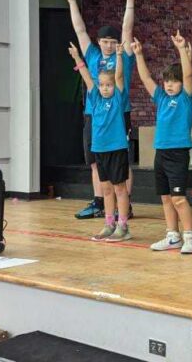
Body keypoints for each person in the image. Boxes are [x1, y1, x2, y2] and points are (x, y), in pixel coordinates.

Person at [67, 0, 137, 219]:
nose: (108, 45)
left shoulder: (123, 57)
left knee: (122, 161)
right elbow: (80, 31)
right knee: (95, 160)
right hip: (94, 115)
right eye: (105, 41)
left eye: (112, 42)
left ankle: (125, 204)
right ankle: (100, 202)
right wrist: (72, 2)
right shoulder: (94, 55)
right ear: (99, 42)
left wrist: (129, 1)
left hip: (119, 113)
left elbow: (127, 29)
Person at [132, 32, 192, 254]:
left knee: (179, 198)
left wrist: (181, 49)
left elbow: (189, 76)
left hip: (178, 153)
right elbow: (146, 79)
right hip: (161, 152)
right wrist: (139, 54)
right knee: (166, 198)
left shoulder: (186, 99)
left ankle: (190, 237)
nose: (170, 85)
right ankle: (173, 236)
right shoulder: (161, 97)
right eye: (167, 81)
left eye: (174, 81)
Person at [68, 42, 132, 241]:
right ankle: (109, 223)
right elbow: (87, 77)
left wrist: (120, 56)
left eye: (109, 85)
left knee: (119, 187)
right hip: (100, 149)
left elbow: (120, 76)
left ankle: (123, 226)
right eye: (102, 85)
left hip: (117, 148)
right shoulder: (95, 98)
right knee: (106, 189)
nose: (105, 89)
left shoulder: (118, 99)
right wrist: (78, 58)